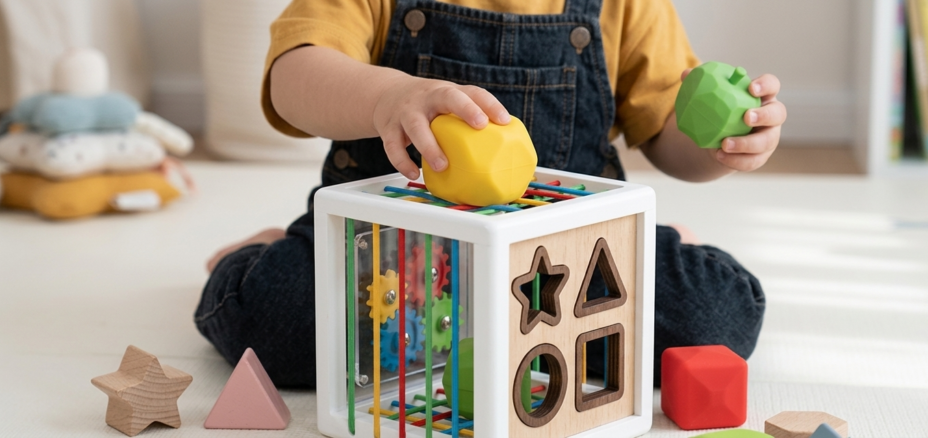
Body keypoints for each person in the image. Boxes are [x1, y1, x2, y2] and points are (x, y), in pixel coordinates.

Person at [195, 0, 785, 388]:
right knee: (273, 324)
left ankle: (671, 248)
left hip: (568, 263)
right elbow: (293, 76)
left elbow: (664, 134)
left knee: (714, 318)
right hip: (392, 255)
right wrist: (388, 98)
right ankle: (252, 258)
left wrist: (718, 149)